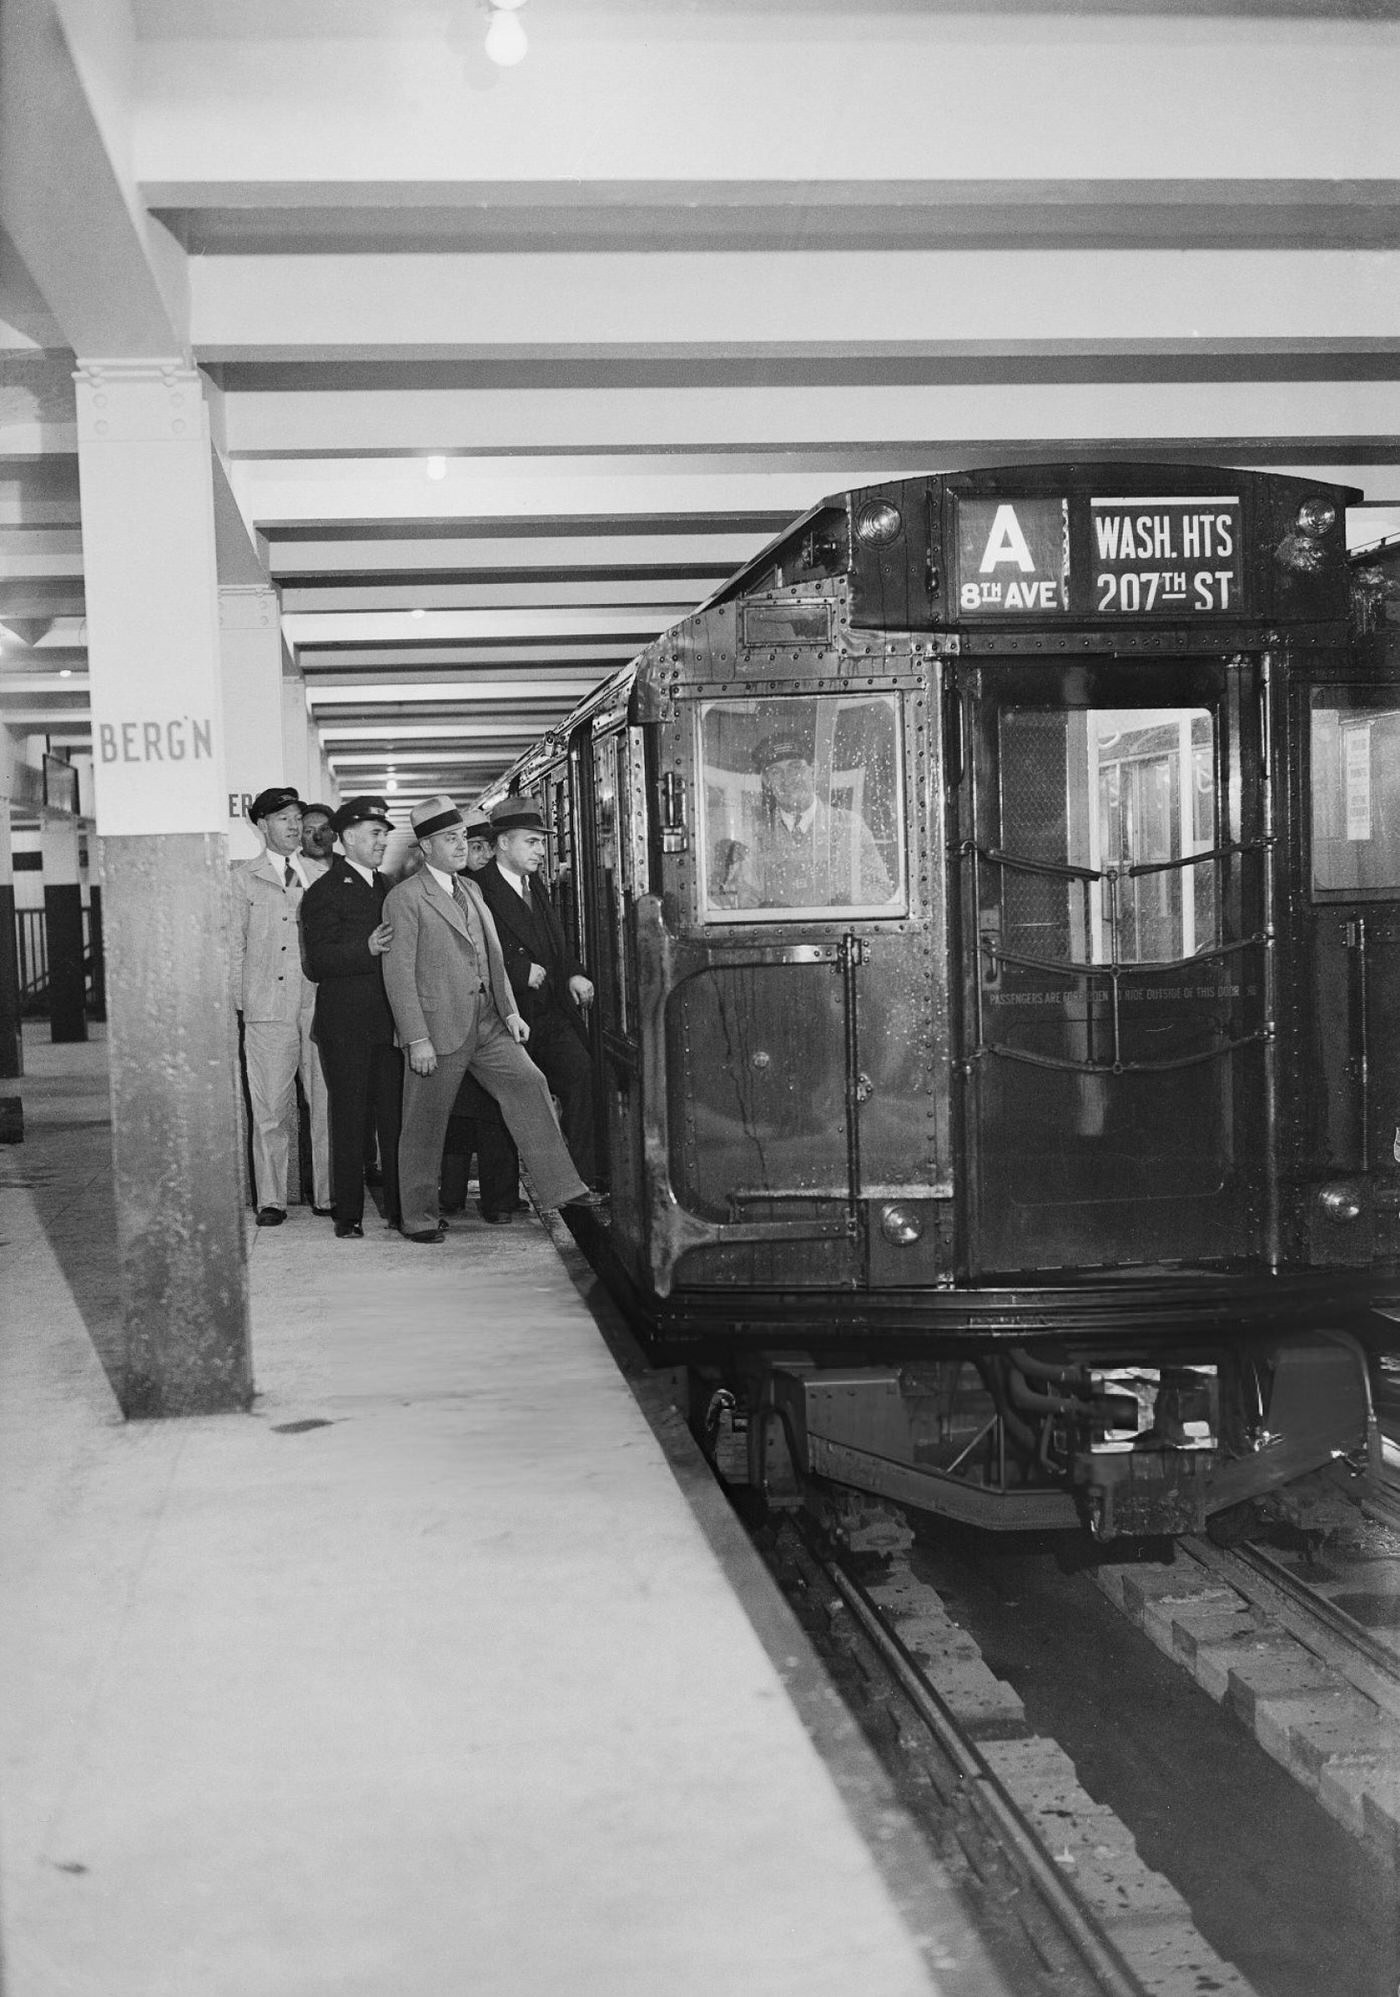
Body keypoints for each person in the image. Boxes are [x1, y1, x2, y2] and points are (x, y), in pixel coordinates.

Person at [381, 795, 603, 1243]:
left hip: (488, 1023)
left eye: (463, 836)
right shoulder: (405, 899)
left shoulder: (472, 890)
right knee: (425, 1125)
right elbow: (398, 974)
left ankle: (564, 1186)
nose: (462, 845)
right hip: (438, 1029)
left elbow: (494, 959)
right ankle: (418, 1218)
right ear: (426, 847)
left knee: (530, 1083)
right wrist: (416, 1038)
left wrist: (510, 1013)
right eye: (450, 838)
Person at [476, 795, 598, 1186]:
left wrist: (573, 973)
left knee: (580, 1075)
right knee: (505, 1104)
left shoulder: (536, 886)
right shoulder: (478, 889)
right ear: (503, 843)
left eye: (541, 842)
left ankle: (581, 1180)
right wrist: (516, 971)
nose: (541, 851)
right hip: (507, 1017)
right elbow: (470, 953)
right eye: (532, 841)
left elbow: (555, 945)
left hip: (548, 1013)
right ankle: (502, 1196)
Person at [300, 795, 403, 1241]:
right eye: (375, 834)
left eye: (384, 834)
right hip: (345, 1027)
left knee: (395, 1120)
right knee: (349, 1120)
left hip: (389, 1023)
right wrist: (366, 949)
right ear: (347, 839)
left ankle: (402, 1211)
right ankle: (349, 1214)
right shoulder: (323, 892)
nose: (383, 842)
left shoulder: (388, 887)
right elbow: (317, 963)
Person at [231, 784, 332, 1225]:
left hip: (317, 1004)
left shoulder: (317, 874)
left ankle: (329, 1197)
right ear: (261, 825)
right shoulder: (242, 879)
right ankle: (271, 1199)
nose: (294, 826)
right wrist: (244, 1004)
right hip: (267, 1010)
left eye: (297, 818)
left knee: (325, 1102)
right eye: (284, 819)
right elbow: (233, 948)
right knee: (270, 1107)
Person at [440, 805, 522, 1223]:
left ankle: (498, 1201)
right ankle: (454, 1195)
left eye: (486, 847)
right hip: (456, 1022)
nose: (482, 855)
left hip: (487, 1020)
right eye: (474, 847)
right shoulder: (450, 893)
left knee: (489, 1116)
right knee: (459, 1118)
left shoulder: (477, 891)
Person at [712, 733, 892, 911]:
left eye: (795, 767)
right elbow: (741, 899)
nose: (787, 779)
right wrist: (764, 911)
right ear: (766, 781)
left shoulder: (849, 825)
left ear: (813, 771)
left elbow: (881, 889)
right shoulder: (754, 833)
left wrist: (849, 906)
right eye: (775, 772)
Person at [299, 802, 337, 881]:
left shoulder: (351, 867)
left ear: (334, 836)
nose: (318, 837)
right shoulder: (290, 872)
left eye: (324, 829)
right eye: (309, 831)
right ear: (299, 839)